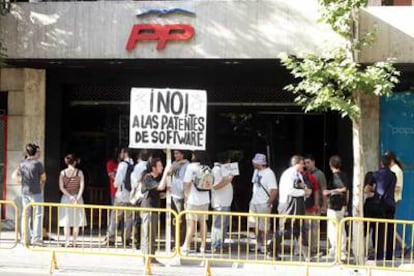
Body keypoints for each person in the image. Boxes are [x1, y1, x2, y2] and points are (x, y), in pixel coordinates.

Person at [276, 155, 311, 260]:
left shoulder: (298, 175)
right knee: (283, 229)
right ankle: (272, 251)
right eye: (302, 163)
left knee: (300, 229)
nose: (304, 165)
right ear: (297, 163)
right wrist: (303, 192)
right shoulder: (289, 174)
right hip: (287, 205)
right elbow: (290, 190)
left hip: (297, 205)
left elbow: (303, 188)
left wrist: (306, 192)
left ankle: (307, 256)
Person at [181, 151, 211, 254]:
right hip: (205, 199)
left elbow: (187, 184)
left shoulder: (191, 167)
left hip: (193, 199)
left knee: (191, 223)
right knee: (203, 222)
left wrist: (186, 197)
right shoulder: (207, 167)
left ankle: (187, 245)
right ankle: (203, 246)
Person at [367, 155, 396, 260]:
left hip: (379, 205)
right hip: (390, 204)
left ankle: (379, 256)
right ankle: (389, 256)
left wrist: (373, 192)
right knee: (390, 231)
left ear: (381, 163)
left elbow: (368, 187)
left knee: (379, 231)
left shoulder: (375, 175)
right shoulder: (393, 175)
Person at [17, 143, 46, 246]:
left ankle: (25, 237)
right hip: (36, 192)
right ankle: (36, 238)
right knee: (38, 214)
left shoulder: (22, 163)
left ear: (27, 152)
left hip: (25, 191)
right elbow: (43, 178)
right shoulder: (38, 164)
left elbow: (17, 176)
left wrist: (23, 182)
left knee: (26, 214)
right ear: (35, 152)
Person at [248, 153, 277, 254]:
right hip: (254, 202)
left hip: (264, 203)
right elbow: (255, 186)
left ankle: (264, 245)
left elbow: (274, 190)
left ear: (259, 163)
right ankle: (258, 244)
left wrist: (268, 203)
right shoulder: (256, 171)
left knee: (264, 226)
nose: (253, 163)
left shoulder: (269, 173)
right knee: (254, 225)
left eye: (255, 161)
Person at [106, 148, 134, 246]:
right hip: (131, 196)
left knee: (115, 217)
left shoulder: (122, 165)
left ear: (125, 153)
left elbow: (117, 181)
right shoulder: (134, 164)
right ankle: (126, 238)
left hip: (121, 194)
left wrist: (115, 185)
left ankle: (111, 238)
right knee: (128, 218)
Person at [140, 158, 166, 265]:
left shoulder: (154, 179)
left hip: (154, 209)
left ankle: (151, 256)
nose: (162, 167)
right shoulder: (148, 177)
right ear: (154, 168)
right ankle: (147, 257)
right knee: (147, 234)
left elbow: (158, 192)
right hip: (148, 209)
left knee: (152, 234)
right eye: (160, 166)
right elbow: (160, 187)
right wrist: (166, 174)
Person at [323, 155, 348, 261]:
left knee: (334, 229)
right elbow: (347, 191)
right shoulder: (345, 175)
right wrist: (346, 204)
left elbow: (343, 189)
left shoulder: (336, 176)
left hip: (334, 206)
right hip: (341, 205)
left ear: (330, 165)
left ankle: (338, 251)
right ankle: (339, 251)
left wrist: (329, 191)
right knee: (341, 229)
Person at [58, 154, 87, 247]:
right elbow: (82, 186)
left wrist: (69, 196)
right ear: (75, 162)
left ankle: (67, 241)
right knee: (76, 221)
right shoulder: (79, 172)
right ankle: (74, 241)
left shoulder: (63, 173)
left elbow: (61, 187)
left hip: (66, 198)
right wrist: (77, 197)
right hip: (77, 197)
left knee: (66, 220)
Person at [384, 151, 408, 253]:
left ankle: (403, 245)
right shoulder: (395, 169)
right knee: (388, 224)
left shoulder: (395, 170)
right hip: (392, 199)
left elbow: (397, 187)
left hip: (392, 199)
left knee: (388, 224)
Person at [211, 151, 234, 252]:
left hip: (225, 202)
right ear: (228, 161)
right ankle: (216, 245)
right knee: (218, 225)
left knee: (223, 224)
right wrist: (228, 180)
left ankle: (220, 244)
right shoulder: (216, 170)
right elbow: (215, 186)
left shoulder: (223, 169)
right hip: (220, 203)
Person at [169, 149, 189, 247]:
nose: (175, 156)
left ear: (182, 154)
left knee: (182, 220)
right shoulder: (173, 164)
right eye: (174, 154)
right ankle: (175, 241)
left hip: (182, 196)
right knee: (174, 220)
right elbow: (168, 173)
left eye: (177, 153)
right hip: (173, 195)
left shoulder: (187, 165)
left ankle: (181, 242)